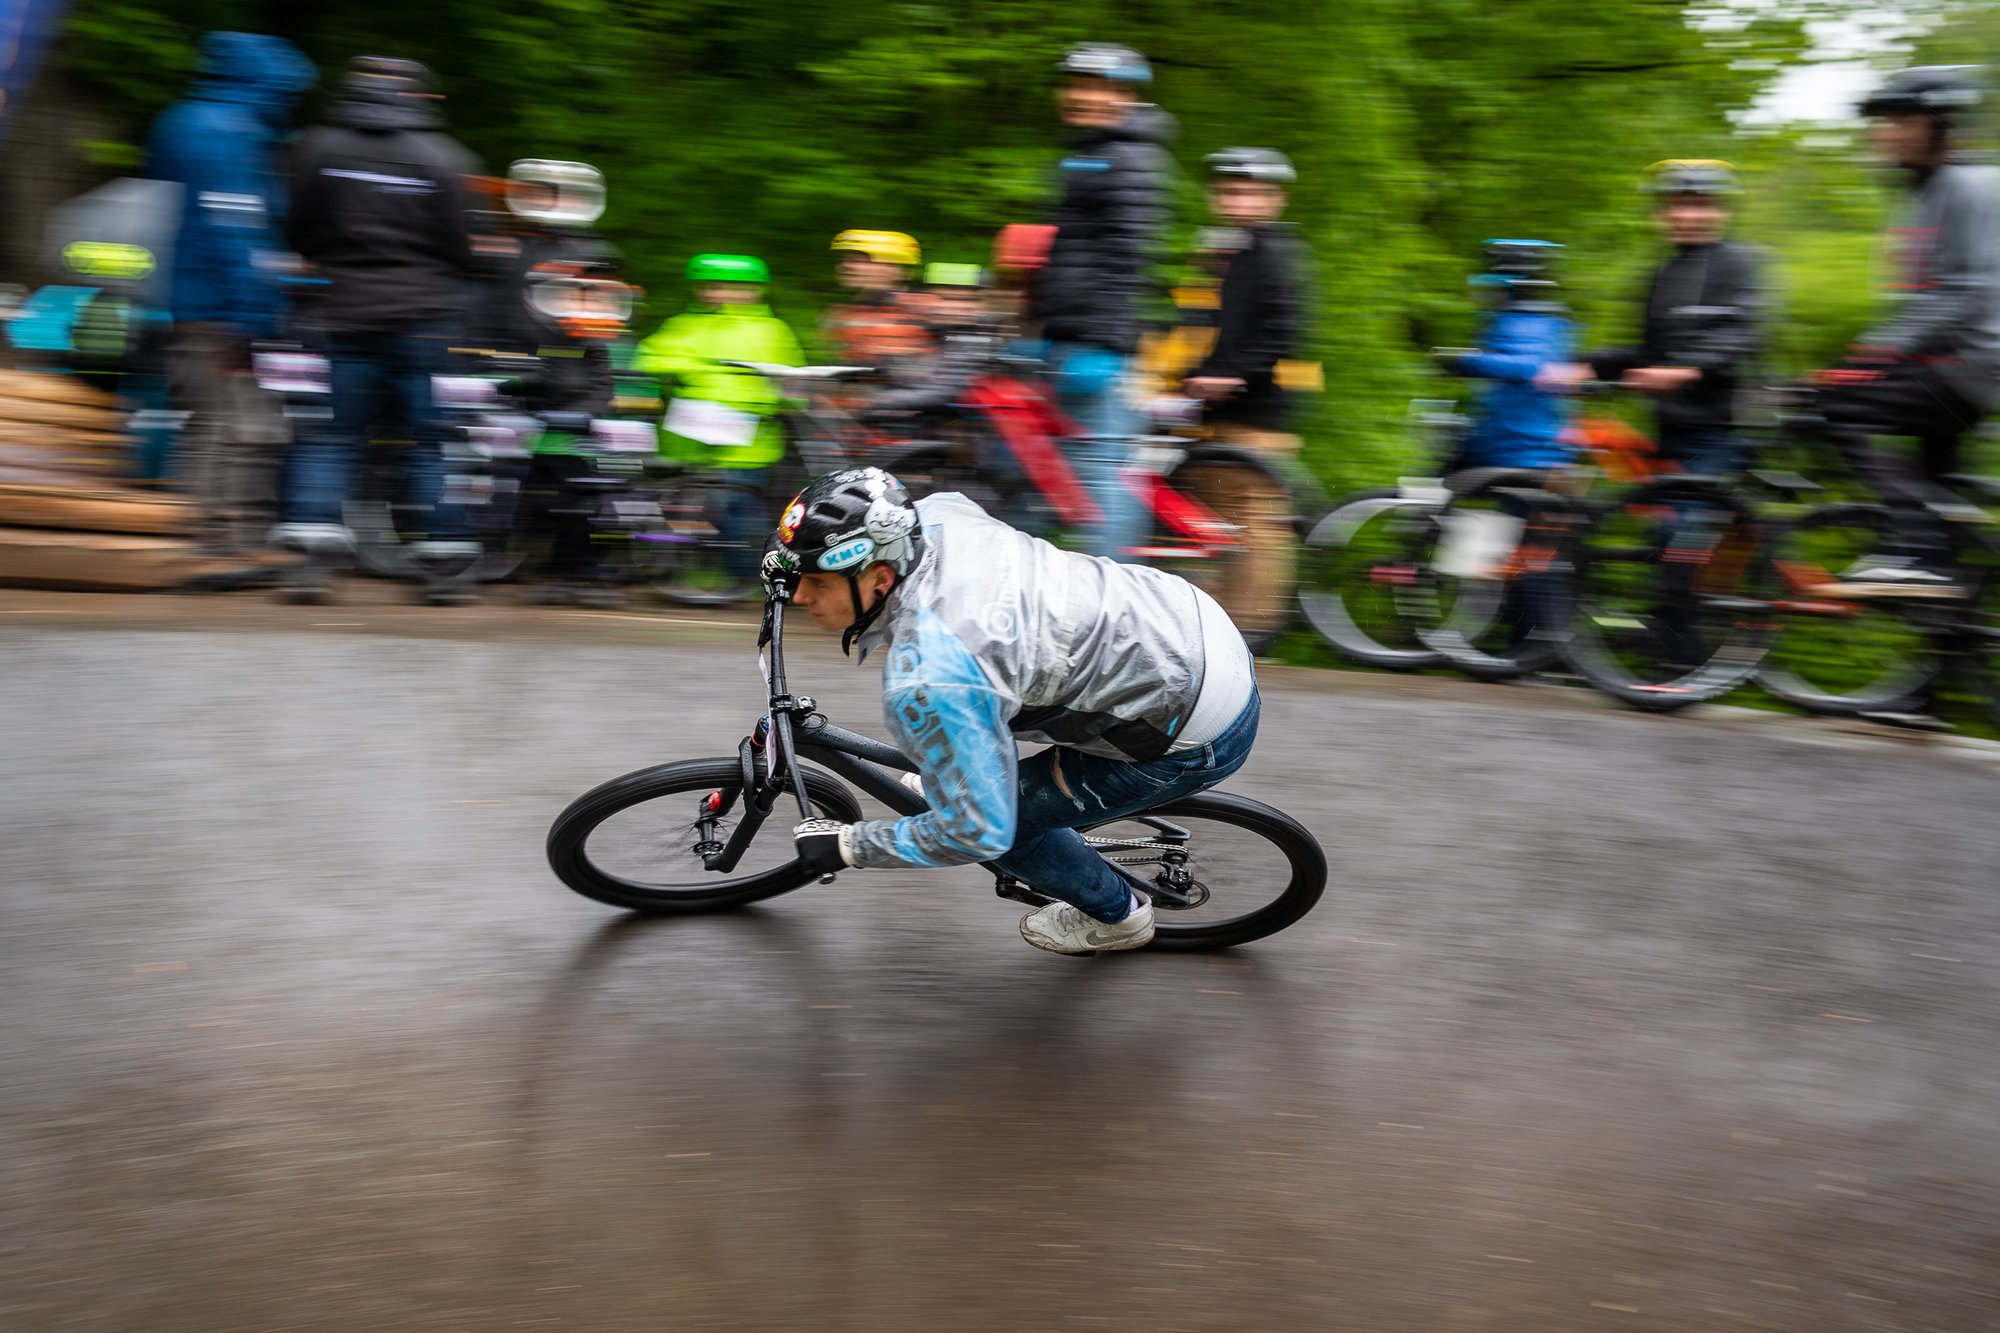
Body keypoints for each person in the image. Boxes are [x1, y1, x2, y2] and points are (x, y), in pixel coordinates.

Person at [762, 467, 1260, 955]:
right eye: (800, 577)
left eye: (818, 583)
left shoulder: (930, 677)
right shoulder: (934, 516)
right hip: (1186, 620)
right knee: (977, 711)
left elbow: (977, 833)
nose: (802, 594)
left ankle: (1120, 916)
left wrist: (850, 846)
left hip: (1187, 725)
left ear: (880, 577)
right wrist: (791, 561)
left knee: (1003, 827)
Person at [277, 56, 481, 599]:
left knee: (329, 437)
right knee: (433, 442)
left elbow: (296, 228)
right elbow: (465, 248)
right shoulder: (446, 158)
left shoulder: (319, 148)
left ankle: (313, 562)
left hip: (339, 314)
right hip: (425, 320)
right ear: (420, 97)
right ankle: (445, 571)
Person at [1806, 66, 2000, 598]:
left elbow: (1964, 291)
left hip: (1967, 367)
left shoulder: (1961, 185)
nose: (1885, 133)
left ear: (1938, 124)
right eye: (1883, 123)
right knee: (1937, 499)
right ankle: (1947, 637)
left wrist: (1878, 351)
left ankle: (1917, 548)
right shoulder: (1928, 191)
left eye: (1900, 121)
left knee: (1836, 404)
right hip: (1952, 364)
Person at [144, 31, 317, 586]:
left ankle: (229, 543)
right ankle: (220, 548)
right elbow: (233, 230)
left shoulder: (187, 120)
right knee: (239, 428)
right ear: (267, 83)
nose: (290, 102)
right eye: (287, 90)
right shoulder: (227, 132)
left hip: (193, 298)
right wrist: (253, 317)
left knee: (222, 424)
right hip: (223, 309)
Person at [1032, 42, 1176, 560]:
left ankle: (1114, 598)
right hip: (1071, 339)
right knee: (1070, 474)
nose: (1081, 95)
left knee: (1103, 475)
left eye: (1096, 86)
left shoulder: (1129, 157)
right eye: (1075, 84)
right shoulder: (1090, 152)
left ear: (1124, 95)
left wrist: (1102, 344)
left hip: (1100, 346)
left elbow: (1129, 256)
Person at [1538, 160, 1766, 478]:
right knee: (1656, 512)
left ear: (1721, 211)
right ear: (1662, 214)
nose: (1688, 215)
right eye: (1678, 205)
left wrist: (1685, 370)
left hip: (1720, 428)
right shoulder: (1662, 275)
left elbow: (1743, 333)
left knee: (1682, 523)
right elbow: (1649, 350)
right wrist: (1587, 366)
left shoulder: (1739, 263)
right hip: (1669, 425)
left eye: (1700, 205)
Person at [634, 254, 804, 579]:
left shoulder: (772, 330)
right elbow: (648, 357)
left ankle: (746, 577)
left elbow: (789, 382)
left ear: (754, 291)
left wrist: (765, 401)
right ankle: (679, 571)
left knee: (738, 508)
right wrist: (694, 370)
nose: (715, 294)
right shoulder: (683, 325)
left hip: (749, 443)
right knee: (688, 506)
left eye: (727, 287)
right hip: (689, 440)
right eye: (709, 287)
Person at [1436, 240, 1575, 472]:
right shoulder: (1533, 321)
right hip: (1512, 441)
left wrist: (1464, 361)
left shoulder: (1528, 323)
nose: (1488, 297)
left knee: (1437, 493)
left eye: (1493, 289)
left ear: (1513, 288)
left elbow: (1531, 365)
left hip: (1521, 447)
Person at [820, 229, 932, 378]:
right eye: (844, 260)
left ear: (894, 267)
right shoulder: (841, 313)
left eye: (858, 261)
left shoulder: (926, 312)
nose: (845, 266)